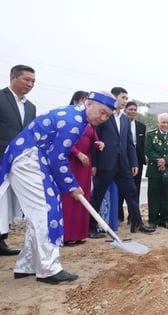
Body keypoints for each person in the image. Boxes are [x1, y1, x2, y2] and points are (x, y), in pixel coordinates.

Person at [0, 91, 116, 284]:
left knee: (39, 213)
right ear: (88, 104)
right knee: (47, 211)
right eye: (102, 112)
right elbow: (58, 157)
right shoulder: (73, 122)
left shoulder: (76, 117)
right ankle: (48, 269)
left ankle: (27, 264)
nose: (103, 118)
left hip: (36, 159)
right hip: (28, 159)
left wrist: (71, 185)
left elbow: (55, 155)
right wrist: (72, 186)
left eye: (107, 116)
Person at [90, 87, 154, 236]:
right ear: (114, 98)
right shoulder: (105, 116)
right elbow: (95, 139)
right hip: (105, 163)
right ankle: (91, 227)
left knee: (131, 192)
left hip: (123, 164)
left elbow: (129, 143)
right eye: (122, 98)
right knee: (97, 195)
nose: (125, 101)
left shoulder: (125, 119)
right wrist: (94, 163)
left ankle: (137, 223)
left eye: (126, 98)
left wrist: (134, 163)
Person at [0, 64, 37, 256]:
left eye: (33, 81)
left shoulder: (31, 107)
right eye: (26, 80)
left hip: (20, 163)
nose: (30, 84)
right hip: (1, 158)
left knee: (7, 203)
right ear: (13, 78)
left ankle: (1, 240)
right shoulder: (1, 98)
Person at [61, 91, 103, 245]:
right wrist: (77, 153)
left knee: (83, 198)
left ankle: (79, 234)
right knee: (69, 197)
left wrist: (99, 144)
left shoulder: (88, 121)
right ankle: (66, 235)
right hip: (69, 162)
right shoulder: (68, 117)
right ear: (77, 101)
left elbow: (94, 139)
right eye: (86, 101)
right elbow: (63, 140)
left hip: (85, 164)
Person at [145, 113, 168, 229]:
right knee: (154, 195)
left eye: (167, 122)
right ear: (158, 123)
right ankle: (153, 220)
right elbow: (148, 150)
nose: (165, 125)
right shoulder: (150, 135)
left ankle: (165, 220)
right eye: (163, 122)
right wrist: (159, 160)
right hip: (154, 170)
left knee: (167, 195)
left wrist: (165, 160)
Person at [118, 101, 146, 223]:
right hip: (122, 160)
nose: (132, 112)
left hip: (137, 161)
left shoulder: (141, 126)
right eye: (130, 109)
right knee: (121, 189)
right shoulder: (120, 122)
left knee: (135, 189)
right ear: (125, 110)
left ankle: (133, 216)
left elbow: (141, 145)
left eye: (135, 109)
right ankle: (119, 216)